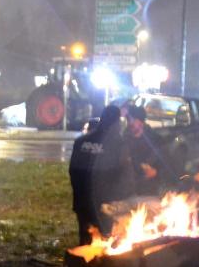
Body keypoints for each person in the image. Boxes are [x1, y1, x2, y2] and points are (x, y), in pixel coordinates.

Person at [68, 104, 131, 245]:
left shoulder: (81, 141)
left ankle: (82, 265)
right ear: (117, 122)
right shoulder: (118, 145)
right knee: (103, 243)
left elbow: (73, 171)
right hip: (104, 205)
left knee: (85, 240)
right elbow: (123, 175)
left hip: (82, 202)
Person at [123, 104, 169, 196]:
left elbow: (167, 167)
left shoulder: (156, 140)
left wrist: (156, 172)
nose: (130, 123)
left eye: (133, 120)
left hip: (148, 190)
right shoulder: (124, 139)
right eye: (128, 120)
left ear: (141, 122)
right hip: (127, 190)